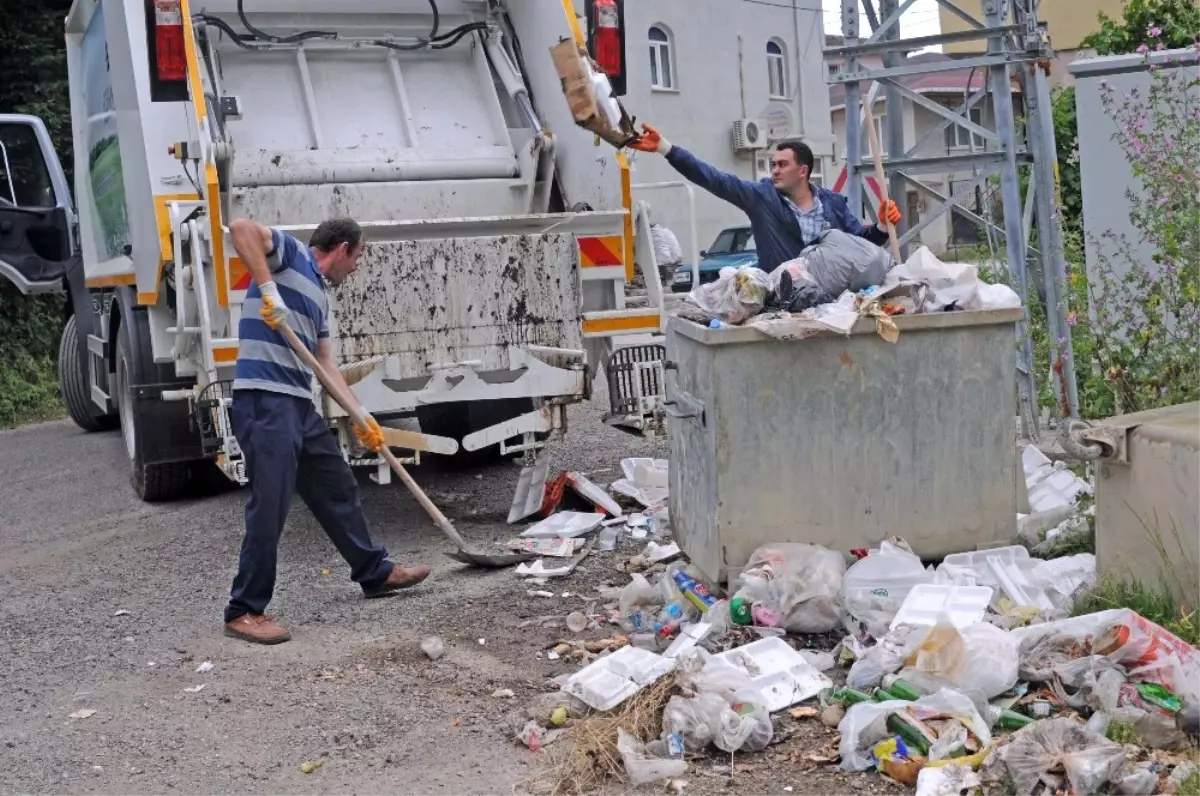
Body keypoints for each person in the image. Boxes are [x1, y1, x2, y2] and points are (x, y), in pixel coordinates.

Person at [223, 216, 431, 645]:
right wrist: (266, 289)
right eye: (358, 256)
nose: (355, 267)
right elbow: (240, 228)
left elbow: (325, 363)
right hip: (264, 400)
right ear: (342, 249)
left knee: (337, 485)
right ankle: (244, 609)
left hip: (298, 403)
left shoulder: (319, 296)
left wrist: (361, 416)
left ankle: (374, 573)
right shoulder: (291, 254)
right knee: (272, 505)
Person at [630, 124, 901, 274]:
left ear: (803, 170)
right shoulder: (762, 198)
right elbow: (714, 179)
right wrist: (667, 149)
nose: (774, 171)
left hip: (834, 300)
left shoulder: (834, 206)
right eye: (773, 164)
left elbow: (862, 246)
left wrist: (880, 226)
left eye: (782, 165)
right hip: (785, 301)